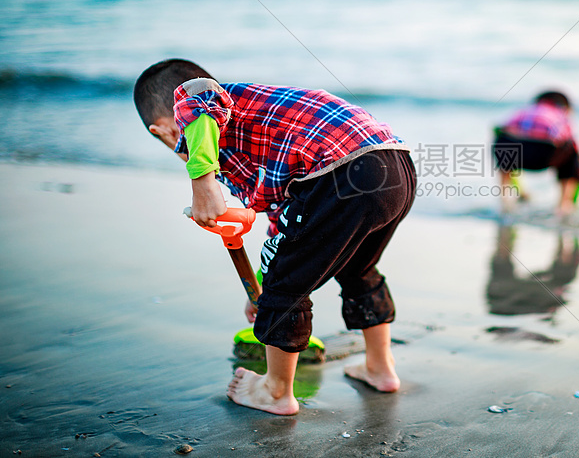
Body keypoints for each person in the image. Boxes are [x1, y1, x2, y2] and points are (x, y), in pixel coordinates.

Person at [134, 59, 416, 415]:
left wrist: (202, 181)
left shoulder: (204, 101)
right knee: (357, 268)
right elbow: (287, 220)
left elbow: (198, 93)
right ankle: (380, 367)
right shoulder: (253, 136)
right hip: (395, 168)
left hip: (338, 174)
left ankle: (276, 391)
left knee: (288, 287)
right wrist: (264, 284)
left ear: (163, 129)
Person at [492, 90, 579, 215]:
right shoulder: (560, 114)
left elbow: (501, 129)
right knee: (570, 150)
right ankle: (564, 205)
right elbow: (566, 137)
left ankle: (506, 201)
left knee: (504, 142)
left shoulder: (523, 111)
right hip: (546, 155)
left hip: (514, 153)